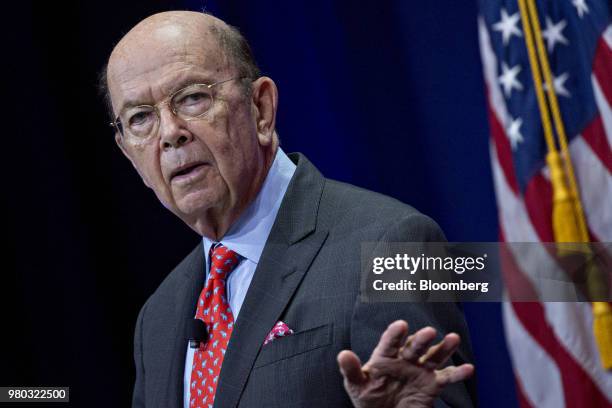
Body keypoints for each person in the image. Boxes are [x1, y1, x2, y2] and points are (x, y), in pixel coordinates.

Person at [102, 10, 477, 408]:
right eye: (141, 118)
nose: (170, 133)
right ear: (129, 155)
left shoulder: (393, 243)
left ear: (261, 108)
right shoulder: (156, 320)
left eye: (193, 98)